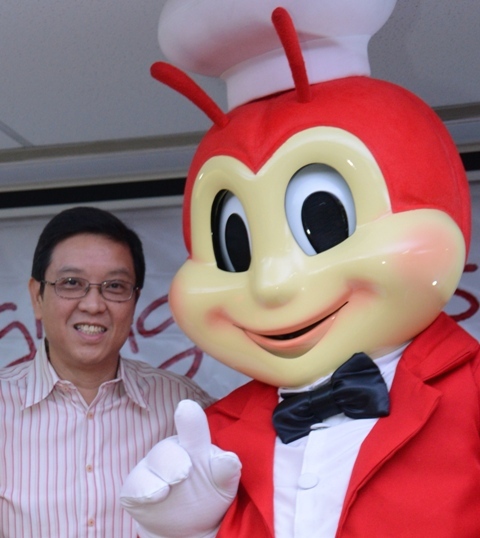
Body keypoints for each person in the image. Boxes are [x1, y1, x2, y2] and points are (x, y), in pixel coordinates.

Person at [0, 206, 213, 537]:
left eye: (114, 286)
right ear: (37, 297)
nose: (93, 305)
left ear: (134, 301)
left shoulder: (184, 406)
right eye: (72, 283)